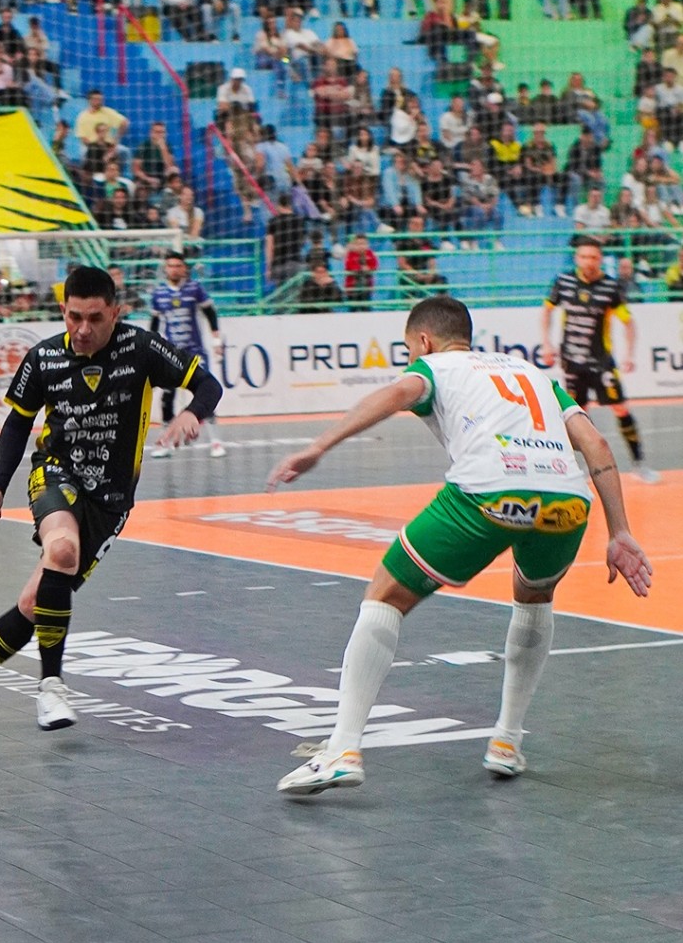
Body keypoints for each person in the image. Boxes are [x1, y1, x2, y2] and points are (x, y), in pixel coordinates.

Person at [270, 294, 652, 796]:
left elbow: (395, 394)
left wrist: (318, 446)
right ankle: (507, 741)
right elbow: (597, 445)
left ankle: (342, 750)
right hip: (566, 501)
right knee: (534, 596)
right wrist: (619, 531)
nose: (411, 358)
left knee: (385, 595)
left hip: (489, 493)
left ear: (424, 341)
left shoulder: (434, 367)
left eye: (410, 350)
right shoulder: (534, 374)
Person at [0, 265, 223, 734]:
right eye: (74, 316)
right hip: (56, 472)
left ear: (116, 313)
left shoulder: (141, 348)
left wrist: (192, 413)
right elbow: (17, 423)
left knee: (34, 604)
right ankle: (51, 686)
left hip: (112, 499)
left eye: (95, 318)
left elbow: (208, 384)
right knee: (62, 548)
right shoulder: (43, 358)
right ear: (63, 310)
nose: (82, 329)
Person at [541, 238, 659, 483]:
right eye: (584, 257)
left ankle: (639, 465)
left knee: (620, 408)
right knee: (577, 415)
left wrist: (629, 354)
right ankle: (583, 468)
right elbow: (547, 311)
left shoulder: (610, 286)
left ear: (600, 259)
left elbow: (628, 322)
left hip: (602, 362)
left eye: (593, 257)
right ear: (577, 258)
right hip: (572, 362)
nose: (589, 262)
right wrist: (546, 343)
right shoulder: (563, 282)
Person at [149, 252, 225, 459]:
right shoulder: (159, 294)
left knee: (205, 391)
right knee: (167, 396)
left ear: (184, 269)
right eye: (171, 266)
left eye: (178, 266)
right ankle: (165, 442)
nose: (174, 269)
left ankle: (215, 441)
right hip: (171, 353)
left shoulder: (194, 289)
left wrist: (216, 340)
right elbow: (155, 324)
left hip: (195, 352)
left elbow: (210, 313)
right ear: (165, 269)